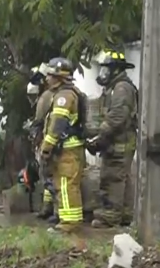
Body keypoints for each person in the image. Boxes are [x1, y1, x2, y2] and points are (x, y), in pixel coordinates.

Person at [87, 49, 138, 228]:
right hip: (118, 140)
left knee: (113, 176)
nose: (103, 73)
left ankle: (110, 216)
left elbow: (117, 116)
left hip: (121, 141)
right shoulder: (115, 88)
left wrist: (99, 135)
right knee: (122, 176)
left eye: (106, 69)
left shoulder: (121, 88)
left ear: (115, 70)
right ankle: (125, 215)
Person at [37, 57, 88, 232]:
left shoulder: (64, 96)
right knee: (64, 184)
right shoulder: (66, 93)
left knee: (66, 185)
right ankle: (67, 221)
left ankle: (70, 224)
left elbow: (57, 125)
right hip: (68, 149)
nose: (46, 79)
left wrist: (46, 147)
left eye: (50, 75)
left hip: (68, 150)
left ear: (59, 77)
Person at [26, 63, 58, 222]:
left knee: (51, 176)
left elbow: (39, 120)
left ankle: (56, 212)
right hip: (51, 140)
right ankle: (48, 208)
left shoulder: (47, 96)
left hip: (50, 140)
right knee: (47, 175)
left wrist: (35, 134)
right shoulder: (56, 94)